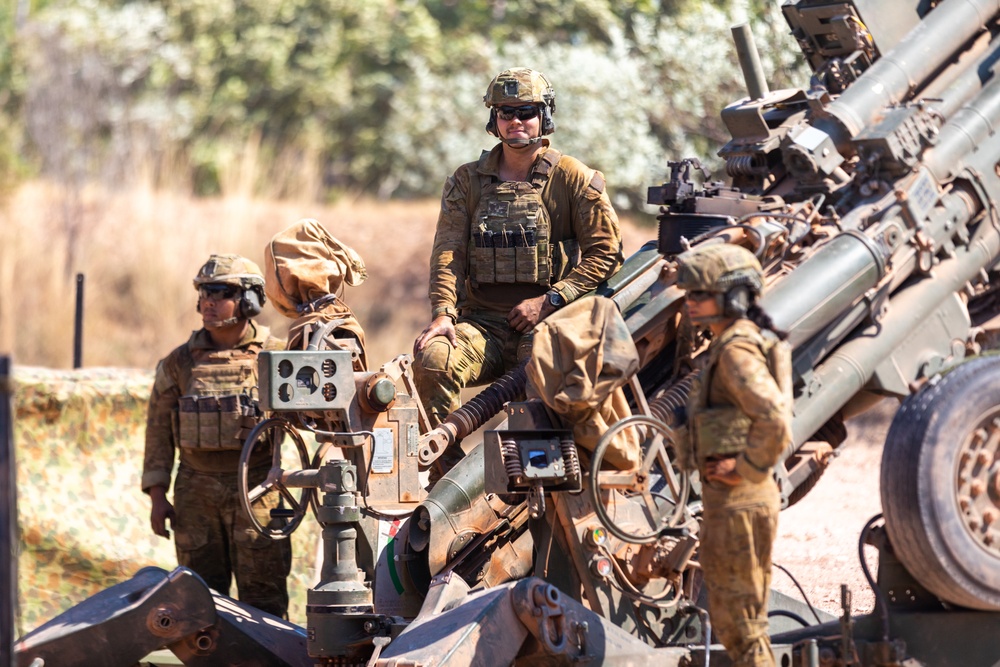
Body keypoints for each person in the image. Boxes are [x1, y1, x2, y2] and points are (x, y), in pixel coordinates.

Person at [413, 67, 624, 475]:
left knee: (543, 375)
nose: (515, 122)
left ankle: (536, 481)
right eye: (505, 112)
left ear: (544, 116)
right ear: (494, 120)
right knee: (434, 358)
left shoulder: (572, 177)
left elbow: (607, 253)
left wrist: (551, 299)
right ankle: (451, 482)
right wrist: (444, 313)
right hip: (483, 327)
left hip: (548, 324)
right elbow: (448, 254)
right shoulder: (466, 180)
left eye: (526, 111)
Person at [141, 254, 292, 618]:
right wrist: (157, 495)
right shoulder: (180, 362)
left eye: (220, 292)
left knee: (264, 600)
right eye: (203, 292)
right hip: (196, 492)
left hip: (258, 488)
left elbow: (307, 417)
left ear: (249, 300)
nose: (207, 302)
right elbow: (158, 428)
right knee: (199, 602)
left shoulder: (276, 357)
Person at [674, 244, 792, 667]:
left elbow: (776, 418)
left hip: (740, 502)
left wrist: (744, 467)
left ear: (734, 298)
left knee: (742, 628)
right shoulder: (727, 345)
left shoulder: (737, 352)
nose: (690, 303)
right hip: (733, 503)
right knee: (735, 622)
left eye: (699, 295)